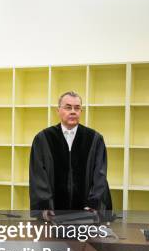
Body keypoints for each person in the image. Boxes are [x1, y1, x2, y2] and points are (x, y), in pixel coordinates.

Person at [29, 91, 111, 220]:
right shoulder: (43, 138)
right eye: (68, 107)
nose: (73, 111)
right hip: (53, 213)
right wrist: (45, 206)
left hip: (86, 212)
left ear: (81, 112)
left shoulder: (94, 139)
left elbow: (100, 174)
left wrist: (93, 204)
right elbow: (38, 175)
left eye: (77, 108)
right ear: (58, 110)